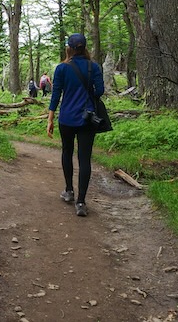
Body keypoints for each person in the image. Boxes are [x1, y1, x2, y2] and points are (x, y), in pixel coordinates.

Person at [47, 33, 104, 217]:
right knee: (85, 159)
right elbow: (100, 90)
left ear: (69, 48)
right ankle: (81, 202)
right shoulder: (93, 67)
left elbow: (56, 94)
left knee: (66, 152)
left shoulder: (62, 68)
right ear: (85, 47)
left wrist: (50, 118)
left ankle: (69, 191)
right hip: (87, 119)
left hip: (67, 118)